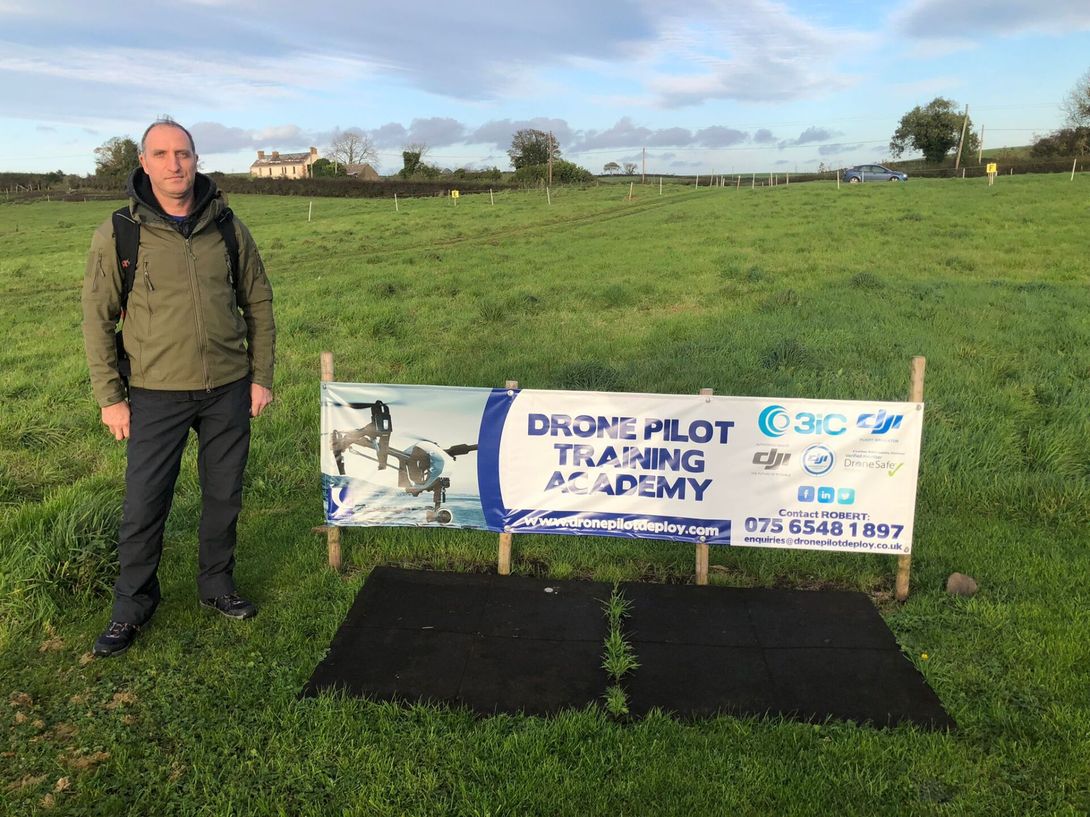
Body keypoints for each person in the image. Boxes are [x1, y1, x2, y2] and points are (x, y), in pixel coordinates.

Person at [81, 118, 275, 657]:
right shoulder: (120, 230)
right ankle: (132, 607)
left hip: (228, 388)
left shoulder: (228, 226)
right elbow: (97, 318)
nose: (175, 164)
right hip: (154, 392)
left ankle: (217, 586)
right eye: (162, 154)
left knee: (223, 495)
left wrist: (261, 376)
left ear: (196, 159)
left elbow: (257, 302)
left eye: (183, 153)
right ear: (143, 162)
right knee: (144, 504)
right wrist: (110, 398)